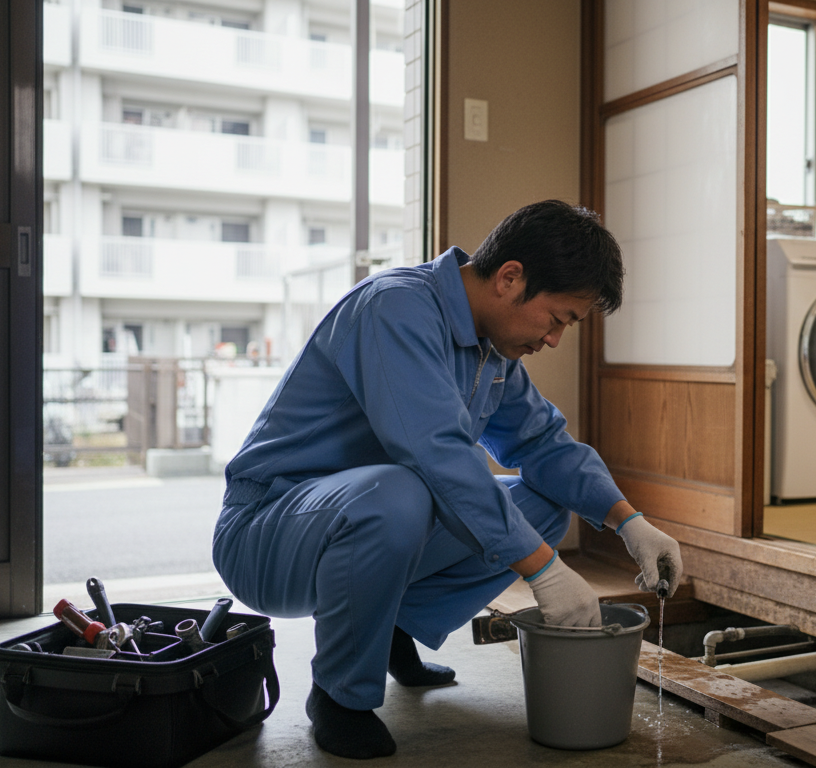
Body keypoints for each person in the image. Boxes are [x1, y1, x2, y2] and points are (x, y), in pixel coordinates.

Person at [211, 200, 683, 759]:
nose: (555, 339)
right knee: (400, 493)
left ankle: (385, 626)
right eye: (557, 319)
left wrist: (628, 522)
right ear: (511, 278)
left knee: (543, 507)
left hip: (359, 521)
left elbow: (542, 443)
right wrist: (546, 571)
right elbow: (435, 454)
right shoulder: (395, 309)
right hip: (266, 530)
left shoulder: (491, 350)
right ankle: (340, 697)